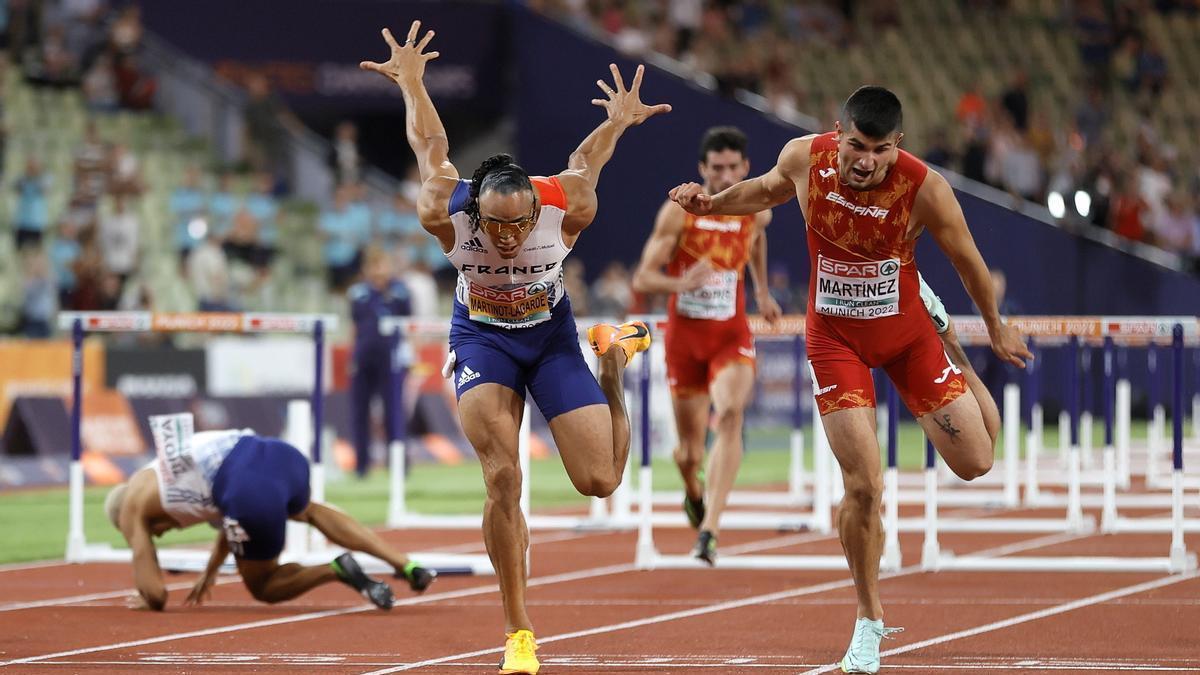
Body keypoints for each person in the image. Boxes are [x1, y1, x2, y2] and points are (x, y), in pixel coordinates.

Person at [669, 85, 1030, 674]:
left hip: (909, 335)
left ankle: (951, 343)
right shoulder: (804, 159)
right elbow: (760, 191)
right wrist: (710, 205)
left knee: (977, 461)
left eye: (881, 150)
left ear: (899, 146)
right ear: (838, 135)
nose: (867, 161)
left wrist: (996, 327)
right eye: (857, 146)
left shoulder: (924, 187)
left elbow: (968, 257)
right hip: (833, 339)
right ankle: (868, 620)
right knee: (864, 486)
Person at [360, 20, 670, 675]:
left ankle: (611, 363)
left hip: (554, 339)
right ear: (479, 211)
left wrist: (616, 122)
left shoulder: (567, 204)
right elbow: (430, 144)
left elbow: (588, 162)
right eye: (496, 225)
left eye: (519, 225)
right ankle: (519, 633)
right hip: (482, 339)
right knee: (503, 477)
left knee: (600, 480)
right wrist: (413, 83)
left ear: (536, 212)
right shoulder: (447, 208)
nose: (507, 237)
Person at [104, 413, 435, 612]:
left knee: (263, 586)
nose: (160, 534)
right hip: (283, 457)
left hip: (245, 487)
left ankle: (334, 569)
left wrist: (146, 591)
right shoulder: (159, 472)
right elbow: (228, 515)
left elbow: (157, 594)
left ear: (121, 520)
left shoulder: (132, 509)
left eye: (155, 532)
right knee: (308, 511)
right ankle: (407, 565)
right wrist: (212, 568)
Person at [631, 126, 780, 564]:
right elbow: (643, 277)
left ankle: (710, 530)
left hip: (730, 334)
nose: (725, 175)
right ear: (702, 169)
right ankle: (693, 490)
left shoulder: (757, 210)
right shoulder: (678, 214)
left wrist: (763, 291)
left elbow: (757, 240)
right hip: (685, 339)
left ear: (746, 168)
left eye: (733, 167)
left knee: (731, 413)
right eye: (717, 168)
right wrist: (681, 281)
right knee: (688, 452)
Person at [349, 245, 412, 478]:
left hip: (392, 358)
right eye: (373, 265)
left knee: (394, 412)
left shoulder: (400, 291)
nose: (378, 270)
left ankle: (398, 464)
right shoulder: (358, 293)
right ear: (366, 268)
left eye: (382, 264)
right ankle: (361, 467)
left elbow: (410, 325)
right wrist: (352, 357)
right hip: (364, 356)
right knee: (359, 412)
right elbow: (354, 327)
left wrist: (410, 355)